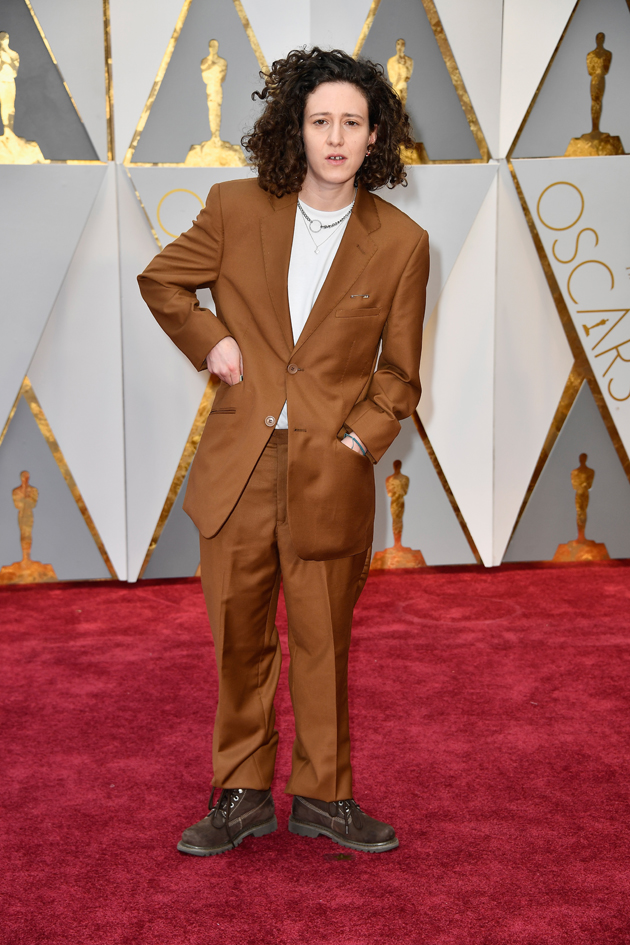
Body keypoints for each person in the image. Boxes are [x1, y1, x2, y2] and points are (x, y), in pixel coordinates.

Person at [138, 47, 429, 857]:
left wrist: (353, 442)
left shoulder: (403, 242)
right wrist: (213, 342)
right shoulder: (234, 209)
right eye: (320, 120)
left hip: (329, 469)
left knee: (324, 638)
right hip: (240, 467)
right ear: (295, 129)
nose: (335, 136)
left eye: (352, 123)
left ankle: (324, 796)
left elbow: (399, 376)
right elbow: (162, 281)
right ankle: (239, 792)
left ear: (376, 137)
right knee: (239, 635)